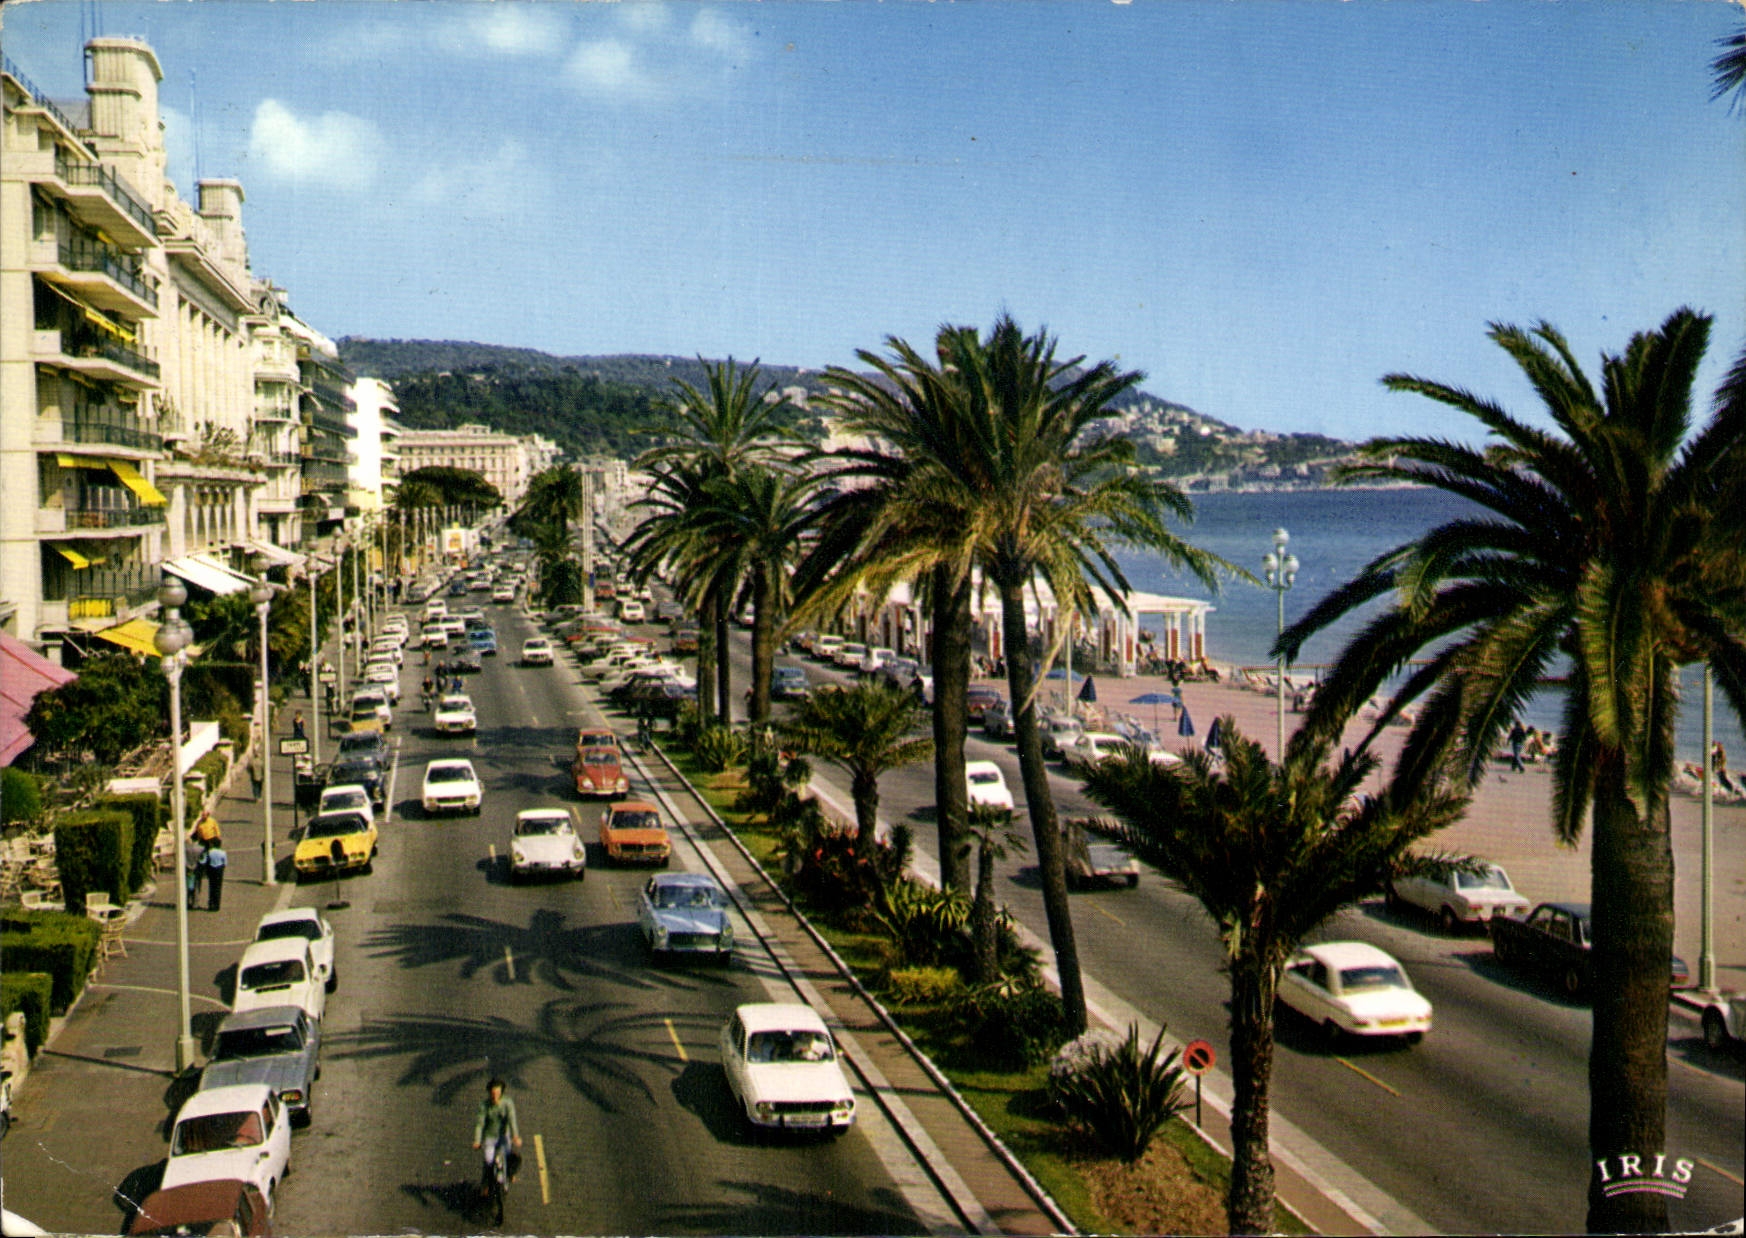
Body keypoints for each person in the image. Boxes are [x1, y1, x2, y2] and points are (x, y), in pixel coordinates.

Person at [472, 1077, 522, 1196]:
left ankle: (510, 1174)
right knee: (488, 1161)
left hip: (504, 1136)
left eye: (498, 1093)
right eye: (493, 1093)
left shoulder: (508, 1103)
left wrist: (515, 1136)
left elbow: (512, 1119)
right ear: (489, 1093)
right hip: (490, 1138)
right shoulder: (484, 1106)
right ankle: (485, 1184)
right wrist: (477, 1141)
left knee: (507, 1156)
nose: (495, 1096)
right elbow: (480, 1125)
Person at [202, 839, 227, 911]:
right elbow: (225, 863)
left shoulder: (209, 852)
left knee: (211, 887)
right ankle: (217, 905)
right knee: (218, 888)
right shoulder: (223, 853)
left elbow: (204, 861)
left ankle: (211, 904)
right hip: (219, 870)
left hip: (211, 869)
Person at [184, 835, 205, 909]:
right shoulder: (201, 848)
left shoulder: (185, 848)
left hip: (187, 868)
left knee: (186, 886)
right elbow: (203, 860)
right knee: (197, 886)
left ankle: (186, 902)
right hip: (197, 869)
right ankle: (195, 903)